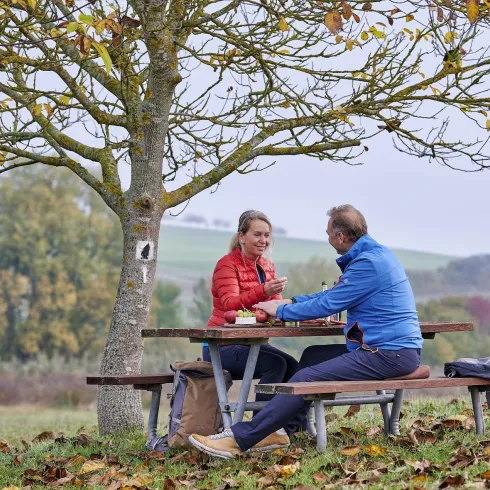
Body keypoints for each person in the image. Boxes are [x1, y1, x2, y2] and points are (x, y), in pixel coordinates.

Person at [189, 204, 424, 458]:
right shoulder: (377, 256)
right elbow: (331, 297)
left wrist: (280, 311)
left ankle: (240, 439)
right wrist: (290, 303)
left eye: (328, 233)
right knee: (311, 356)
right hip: (389, 350)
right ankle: (282, 432)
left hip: (386, 353)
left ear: (340, 237)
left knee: (305, 379)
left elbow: (328, 303)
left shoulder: (367, 264)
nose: (328, 238)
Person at [202, 210, 298, 409]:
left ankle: (293, 428)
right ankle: (260, 428)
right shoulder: (226, 265)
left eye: (267, 235)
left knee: (293, 366)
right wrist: (263, 291)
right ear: (241, 237)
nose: (263, 240)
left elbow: (274, 306)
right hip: (222, 346)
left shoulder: (267, 266)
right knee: (276, 365)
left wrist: (292, 308)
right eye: (257, 234)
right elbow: (230, 304)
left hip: (252, 341)